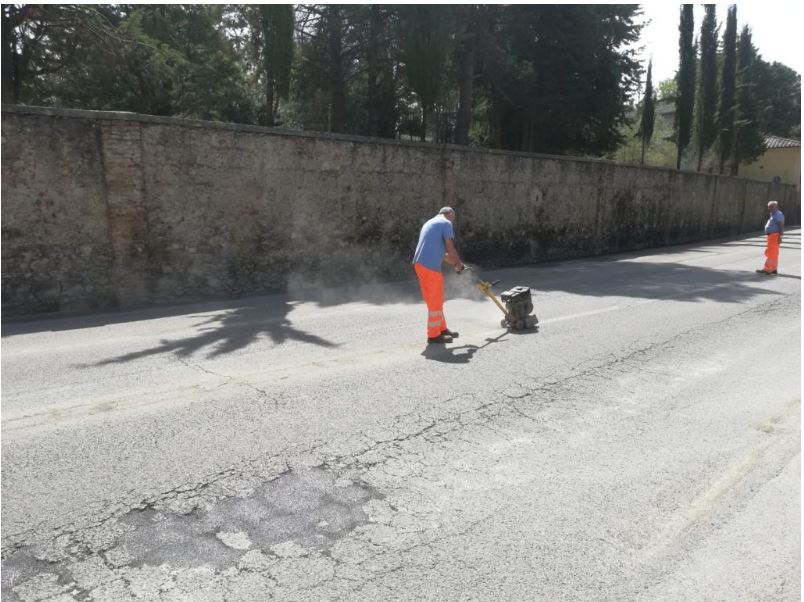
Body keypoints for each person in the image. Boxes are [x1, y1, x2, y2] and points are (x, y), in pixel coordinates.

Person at [412, 206, 466, 344]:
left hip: (420, 265)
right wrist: (459, 263)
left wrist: (455, 264)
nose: (453, 221)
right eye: (453, 217)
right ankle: (433, 335)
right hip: (429, 267)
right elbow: (450, 247)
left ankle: (442, 329)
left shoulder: (430, 223)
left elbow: (441, 254)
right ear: (449, 213)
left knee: (435, 301)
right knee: (436, 301)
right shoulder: (445, 223)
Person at [756, 201, 784, 275]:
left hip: (774, 235)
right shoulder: (774, 214)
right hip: (772, 235)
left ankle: (768, 269)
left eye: (771, 206)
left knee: (771, 252)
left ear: (776, 206)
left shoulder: (778, 214)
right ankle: (774, 269)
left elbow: (781, 224)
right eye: (769, 207)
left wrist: (780, 235)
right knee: (773, 252)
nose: (769, 208)